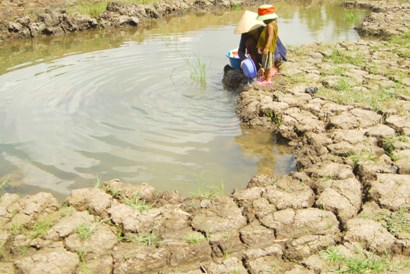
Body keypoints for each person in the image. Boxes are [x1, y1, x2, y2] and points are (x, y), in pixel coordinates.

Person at [256, 4, 279, 85]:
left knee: (267, 64)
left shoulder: (270, 25)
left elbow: (270, 37)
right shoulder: (273, 24)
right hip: (270, 48)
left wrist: (266, 48)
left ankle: (267, 79)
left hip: (268, 49)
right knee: (266, 64)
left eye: (263, 19)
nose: (262, 21)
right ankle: (266, 77)